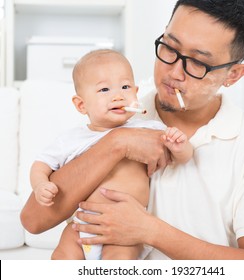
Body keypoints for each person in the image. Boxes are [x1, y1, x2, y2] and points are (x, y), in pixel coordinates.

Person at [21, 0, 244, 260]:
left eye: (198, 62)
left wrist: (149, 231)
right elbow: (33, 220)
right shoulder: (115, 114)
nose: (174, 72)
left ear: (232, 75)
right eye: (170, 47)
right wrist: (119, 141)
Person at [29, 49, 193, 260]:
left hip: (126, 230)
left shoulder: (148, 129)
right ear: (81, 104)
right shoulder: (72, 139)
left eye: (125, 87)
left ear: (135, 92)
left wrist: (179, 144)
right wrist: (40, 185)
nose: (118, 95)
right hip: (80, 226)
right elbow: (40, 164)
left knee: (117, 264)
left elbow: (185, 157)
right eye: (104, 89)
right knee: (62, 258)